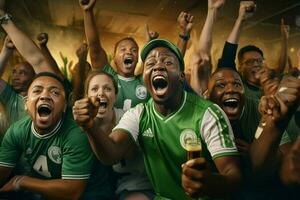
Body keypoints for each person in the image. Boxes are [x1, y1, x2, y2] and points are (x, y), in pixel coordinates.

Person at [73, 39, 242, 199]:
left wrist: (210, 183)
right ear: (144, 78)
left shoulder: (208, 113)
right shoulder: (138, 114)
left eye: (168, 62)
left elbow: (234, 177)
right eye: (150, 64)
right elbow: (112, 153)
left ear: (182, 77)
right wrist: (90, 126)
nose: (158, 66)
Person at [0, 72, 114, 200]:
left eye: (55, 92)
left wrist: (21, 181)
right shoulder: (17, 131)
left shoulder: (76, 133)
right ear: (26, 104)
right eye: (37, 91)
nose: (44, 96)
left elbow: (72, 192)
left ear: (65, 106)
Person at [73, 70, 154, 200]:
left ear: (115, 96)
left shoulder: (129, 118)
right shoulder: (78, 126)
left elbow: (122, 153)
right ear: (86, 96)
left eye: (107, 89)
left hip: (136, 186)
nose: (101, 93)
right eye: (94, 89)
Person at [79, 0, 150, 111]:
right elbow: (95, 48)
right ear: (115, 59)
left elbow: (170, 60)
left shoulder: (144, 82)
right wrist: (87, 12)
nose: (128, 52)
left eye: (134, 50)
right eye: (123, 49)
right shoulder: (108, 76)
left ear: (137, 60)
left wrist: (183, 35)